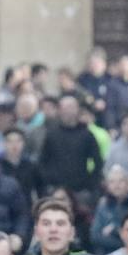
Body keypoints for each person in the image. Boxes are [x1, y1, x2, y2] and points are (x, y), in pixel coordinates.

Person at [36, 93, 103, 242]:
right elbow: (42, 162)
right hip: (55, 191)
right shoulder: (51, 134)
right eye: (64, 108)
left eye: (71, 107)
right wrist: (50, 182)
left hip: (80, 191)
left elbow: (98, 162)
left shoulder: (87, 135)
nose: (68, 111)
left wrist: (88, 183)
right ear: (60, 110)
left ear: (78, 110)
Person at [89, 165, 128, 255]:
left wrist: (114, 229)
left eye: (121, 181)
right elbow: (95, 236)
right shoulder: (102, 205)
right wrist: (123, 243)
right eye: (112, 182)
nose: (116, 185)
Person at [0, 127, 41, 210]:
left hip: (26, 209)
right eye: (10, 141)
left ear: (23, 143)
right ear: (4, 143)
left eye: (18, 141)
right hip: (3, 209)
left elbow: (40, 188)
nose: (14, 145)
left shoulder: (31, 166)